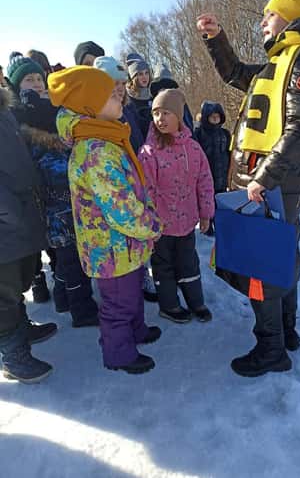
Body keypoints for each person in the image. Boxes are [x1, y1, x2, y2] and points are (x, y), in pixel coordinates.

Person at [197, 0, 300, 376]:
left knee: (262, 262)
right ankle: (286, 332)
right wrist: (215, 39)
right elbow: (236, 72)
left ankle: (271, 347)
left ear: (290, 20)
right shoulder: (278, 63)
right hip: (269, 181)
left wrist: (263, 178)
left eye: (269, 15)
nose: (263, 21)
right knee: (280, 254)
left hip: (271, 183)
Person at [48, 66, 162, 374]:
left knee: (132, 292)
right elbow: (120, 207)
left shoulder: (107, 137)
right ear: (90, 104)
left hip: (125, 244)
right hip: (111, 247)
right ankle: (119, 354)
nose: (121, 99)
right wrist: (151, 225)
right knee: (118, 304)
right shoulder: (96, 150)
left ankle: (136, 332)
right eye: (112, 96)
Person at [18, 88, 99, 328]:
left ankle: (64, 300)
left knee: (65, 265)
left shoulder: (37, 152)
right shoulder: (51, 156)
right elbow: (67, 179)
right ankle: (82, 311)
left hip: (58, 220)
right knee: (75, 267)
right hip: (64, 220)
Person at [139, 89, 215, 323]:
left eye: (166, 113)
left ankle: (196, 301)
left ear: (179, 117)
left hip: (186, 221)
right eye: (156, 113)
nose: (160, 119)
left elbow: (204, 181)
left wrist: (206, 214)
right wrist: (150, 223)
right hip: (161, 226)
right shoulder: (149, 152)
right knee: (164, 267)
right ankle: (169, 305)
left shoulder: (193, 148)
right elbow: (146, 190)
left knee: (188, 263)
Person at [0, 87, 57, 383]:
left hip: (21, 213)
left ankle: (21, 330)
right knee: (3, 292)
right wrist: (9, 211)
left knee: (19, 279)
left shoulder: (5, 111)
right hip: (6, 218)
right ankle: (12, 355)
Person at [94, 56, 157, 303]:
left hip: (136, 176)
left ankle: (142, 275)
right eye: (112, 83)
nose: (119, 88)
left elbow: (139, 139)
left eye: (121, 83)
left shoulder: (127, 110)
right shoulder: (100, 116)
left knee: (137, 232)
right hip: (116, 183)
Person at [6, 54, 57, 302]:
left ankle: (60, 275)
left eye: (39, 77)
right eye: (28, 79)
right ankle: (37, 279)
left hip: (53, 178)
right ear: (16, 85)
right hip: (29, 180)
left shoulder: (51, 103)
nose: (36, 83)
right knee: (34, 233)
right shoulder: (13, 112)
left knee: (55, 230)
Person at [194, 101, 230, 234]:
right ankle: (207, 227)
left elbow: (229, 153)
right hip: (206, 176)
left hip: (221, 175)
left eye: (217, 116)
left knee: (220, 203)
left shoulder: (225, 134)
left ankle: (219, 226)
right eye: (212, 116)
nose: (215, 119)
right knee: (206, 202)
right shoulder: (199, 133)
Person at [150, 63, 194, 133]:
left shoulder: (181, 104)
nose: (165, 91)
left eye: (168, 87)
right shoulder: (154, 108)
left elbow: (189, 126)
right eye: (162, 88)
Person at [126, 53, 153, 139]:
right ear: (134, 77)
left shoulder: (153, 96)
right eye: (140, 74)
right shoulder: (128, 99)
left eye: (146, 73)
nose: (144, 77)